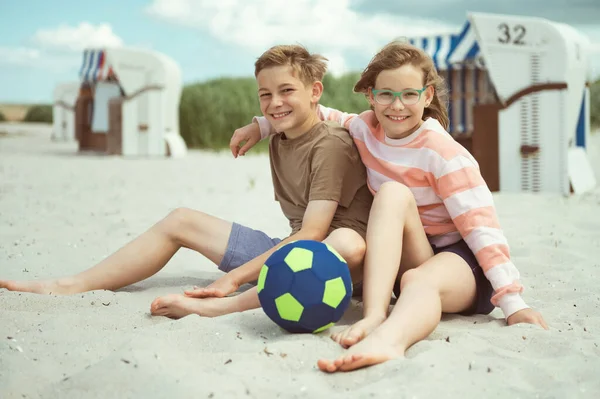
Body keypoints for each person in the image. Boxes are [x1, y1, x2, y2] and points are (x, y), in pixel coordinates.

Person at [231, 41, 548, 372]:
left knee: (413, 264)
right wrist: (261, 125)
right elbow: (320, 114)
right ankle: (374, 314)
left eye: (409, 95)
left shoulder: (444, 154)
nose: (397, 106)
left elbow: (482, 230)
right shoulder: (366, 129)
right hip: (415, 256)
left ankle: (389, 341)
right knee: (395, 208)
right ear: (371, 96)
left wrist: (513, 302)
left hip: (462, 265)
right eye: (386, 95)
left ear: (426, 96)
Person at [0, 45, 373, 320]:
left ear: (315, 92)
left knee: (340, 242)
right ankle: (73, 284)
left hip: (340, 261)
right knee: (180, 219)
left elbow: (312, 234)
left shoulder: (332, 144)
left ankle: (221, 307)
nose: (275, 103)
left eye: (287, 90)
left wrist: (234, 279)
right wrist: (259, 125)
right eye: (265, 94)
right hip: (286, 251)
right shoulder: (277, 135)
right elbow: (297, 236)